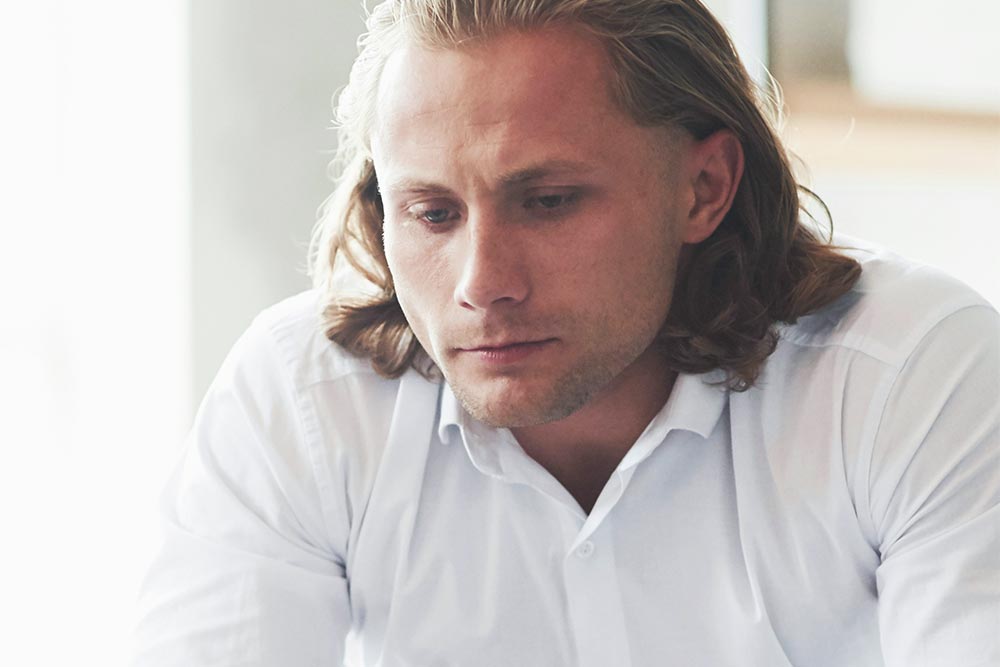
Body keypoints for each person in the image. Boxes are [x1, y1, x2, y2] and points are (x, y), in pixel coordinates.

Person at [131, 1, 999, 665]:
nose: (481, 285)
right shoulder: (303, 403)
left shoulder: (911, 376)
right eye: (432, 213)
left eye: (547, 202)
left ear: (703, 187)